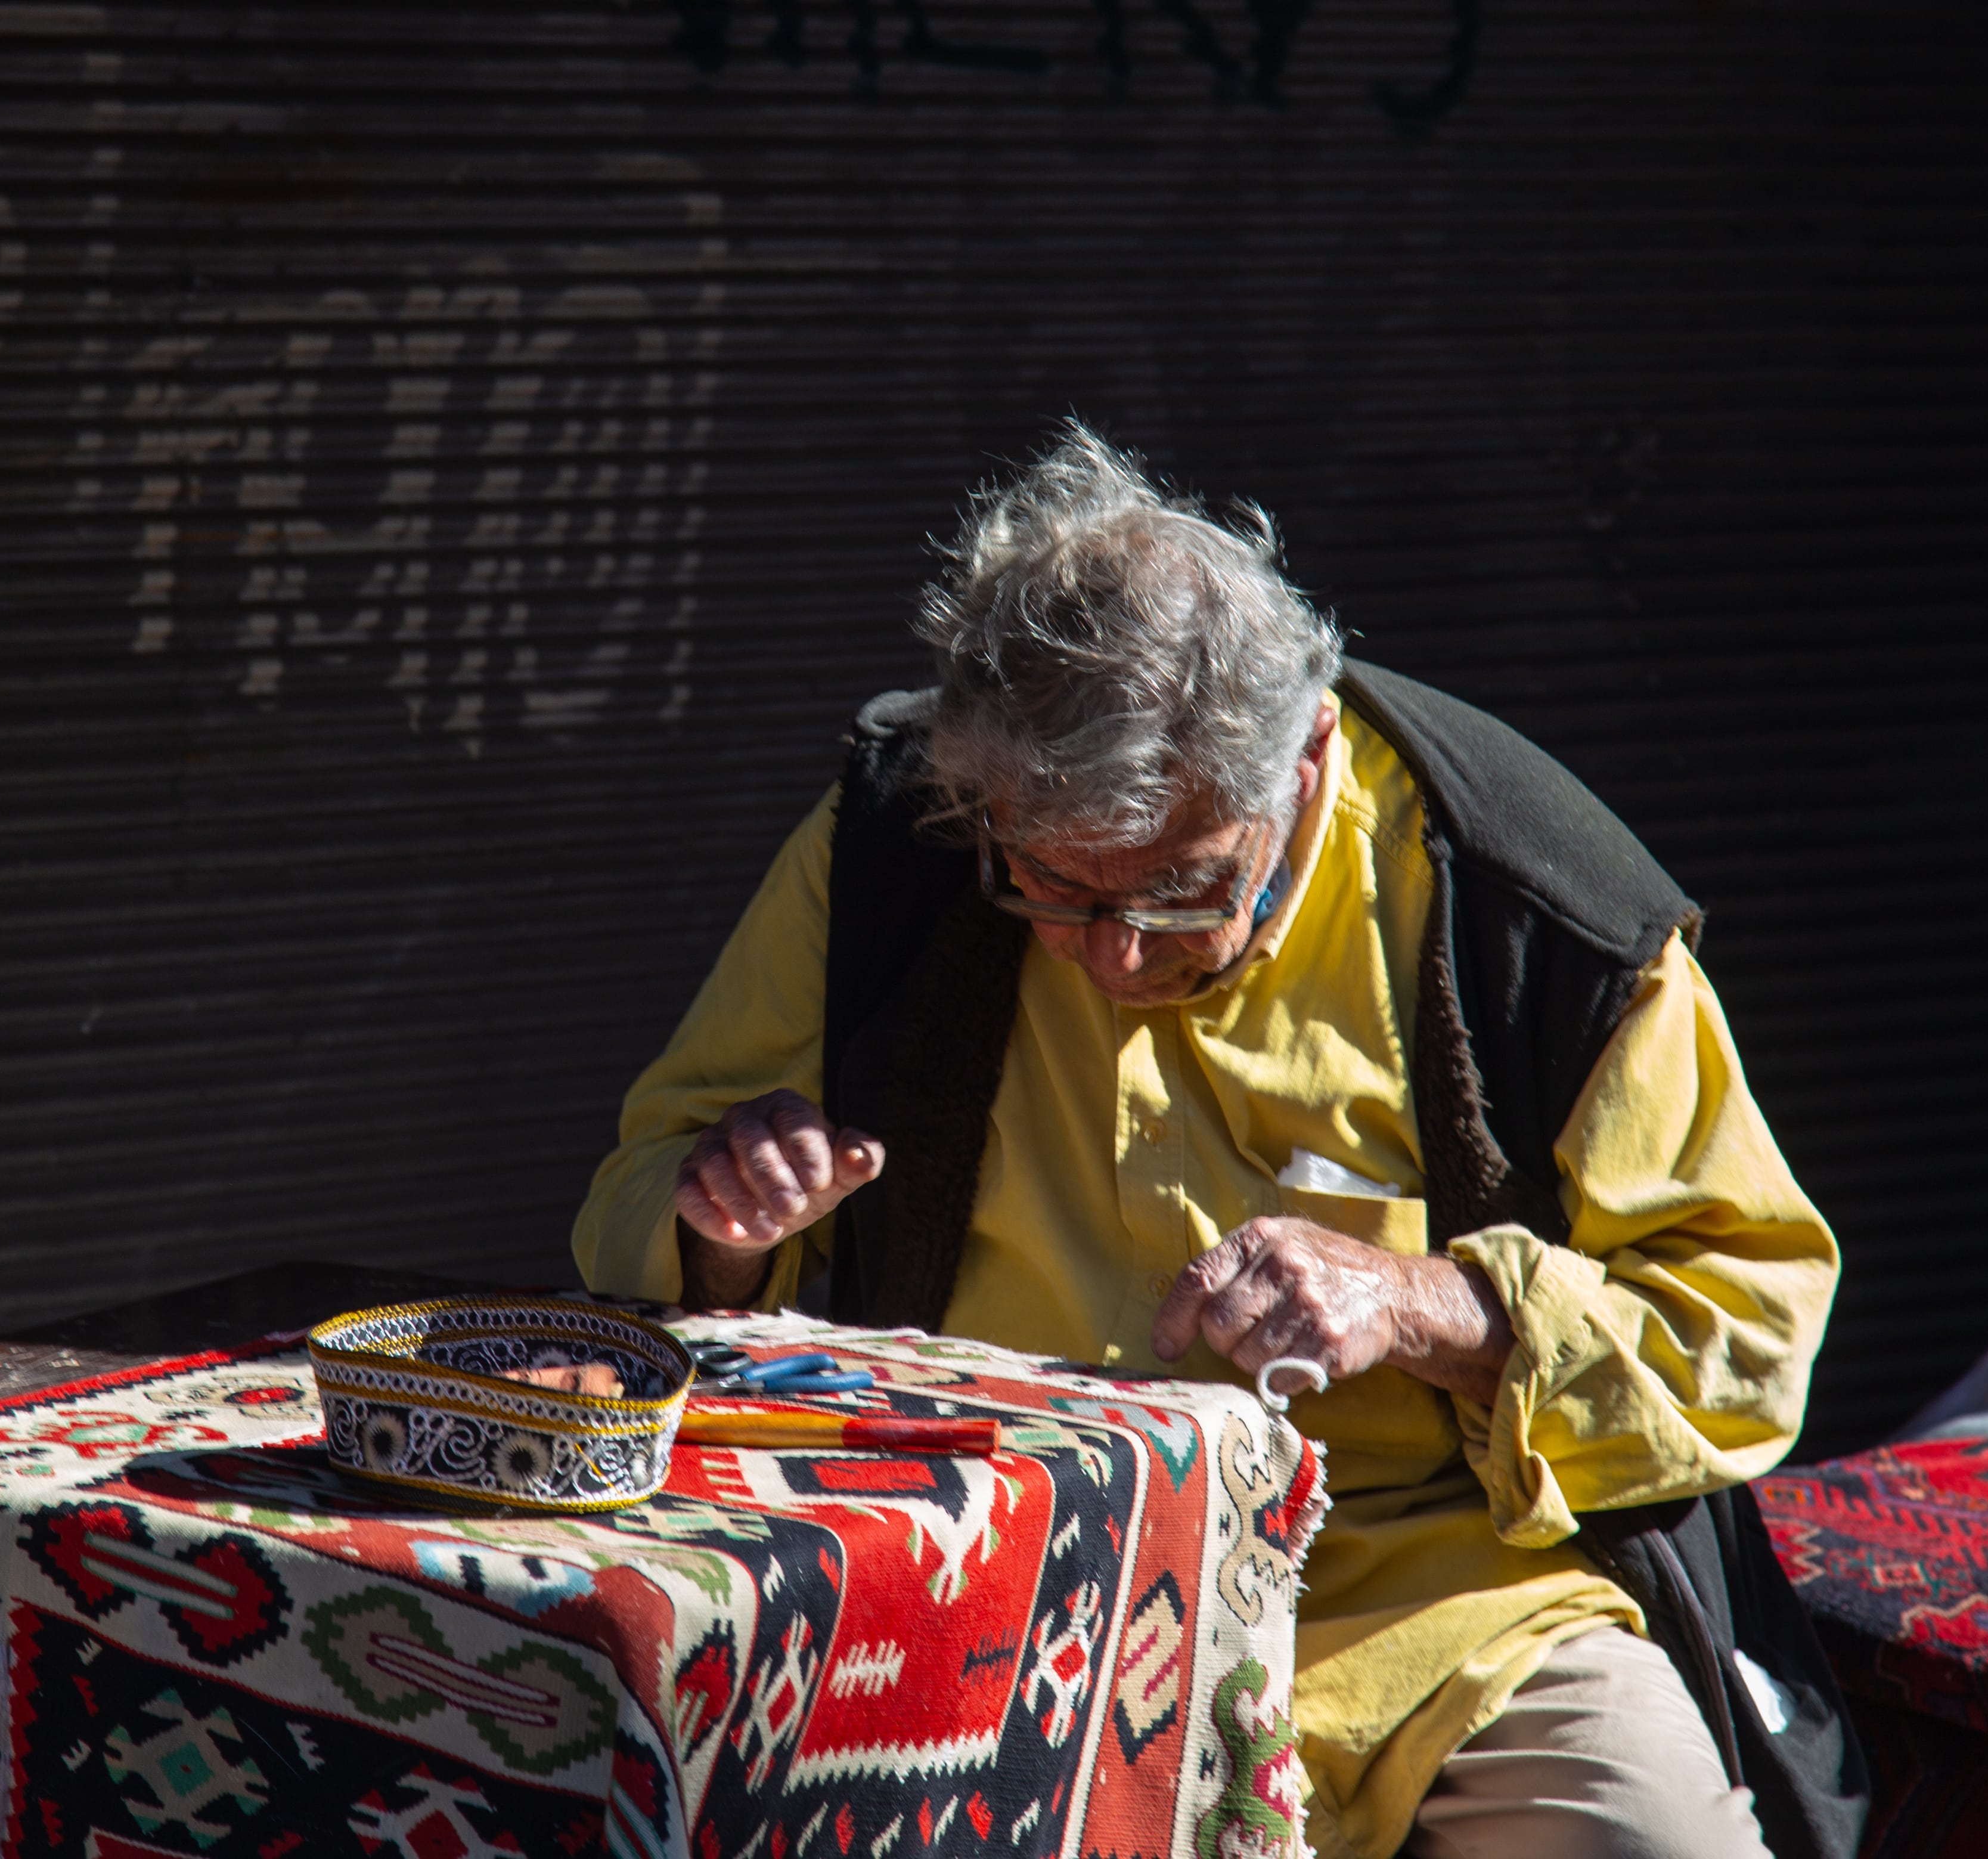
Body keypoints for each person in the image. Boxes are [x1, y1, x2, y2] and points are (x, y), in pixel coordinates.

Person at [573, 425, 1854, 1859]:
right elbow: (643, 1187)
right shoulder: (897, 840)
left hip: (1425, 1595)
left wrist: (1433, 1302)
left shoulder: (1522, 903)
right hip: (977, 1573)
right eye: (1049, 887)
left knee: (1655, 1843)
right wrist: (725, 1218)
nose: (1111, 954)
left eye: (1181, 895)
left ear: (1303, 758)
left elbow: (1745, 1326)